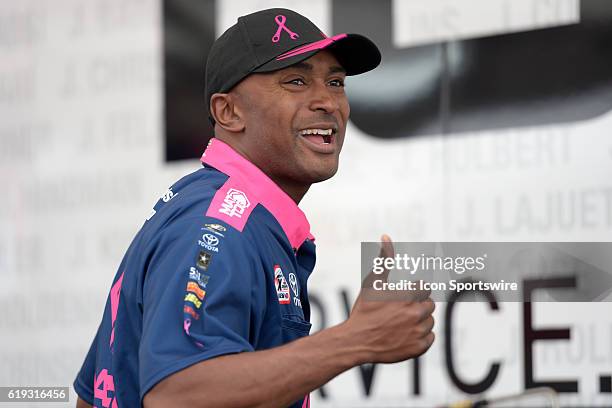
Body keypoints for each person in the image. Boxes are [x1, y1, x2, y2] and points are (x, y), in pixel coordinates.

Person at [74, 8, 435, 408]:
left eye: (335, 82)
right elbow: (176, 394)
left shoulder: (226, 212)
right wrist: (356, 339)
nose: (328, 102)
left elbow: (92, 397)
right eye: (296, 81)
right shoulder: (219, 224)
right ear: (229, 112)